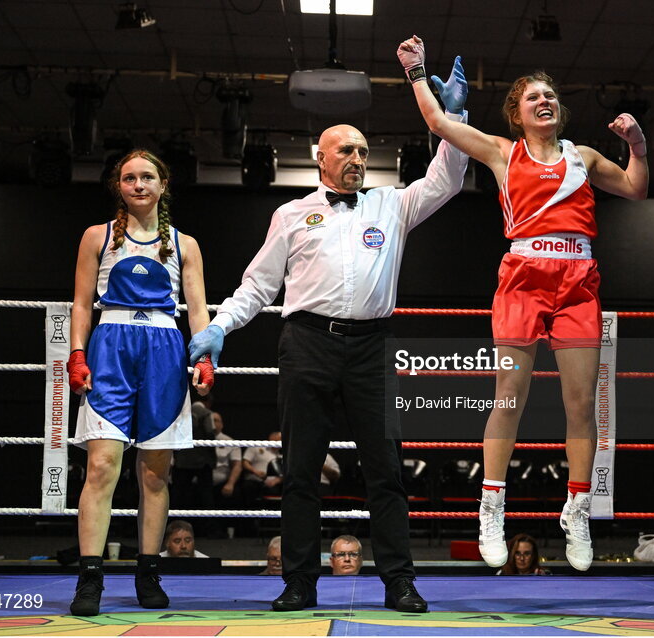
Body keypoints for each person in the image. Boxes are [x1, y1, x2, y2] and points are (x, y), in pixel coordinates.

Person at [187, 61, 470, 613]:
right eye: (347, 150)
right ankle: (299, 582)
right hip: (307, 344)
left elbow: (447, 180)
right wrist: (219, 325)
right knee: (299, 471)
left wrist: (453, 119)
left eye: (364, 151)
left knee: (385, 469)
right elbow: (258, 283)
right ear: (321, 158)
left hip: (371, 347)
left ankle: (399, 582)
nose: (358, 159)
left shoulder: (392, 204)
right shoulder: (292, 214)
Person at [398, 35, 648, 571]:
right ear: (517, 112)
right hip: (523, 279)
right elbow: (441, 125)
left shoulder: (584, 157)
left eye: (550, 95)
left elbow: (634, 188)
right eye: (533, 96)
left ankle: (576, 509)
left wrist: (640, 147)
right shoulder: (501, 151)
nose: (544, 100)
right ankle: (491, 507)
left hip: (579, 280)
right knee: (508, 398)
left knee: (581, 403)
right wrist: (418, 73)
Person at [66, 149, 214, 616]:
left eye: (147, 176)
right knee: (102, 467)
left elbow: (197, 310)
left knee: (155, 472)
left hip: (164, 350)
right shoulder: (97, 236)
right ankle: (90, 578)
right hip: (110, 347)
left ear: (163, 184)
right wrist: (76, 352)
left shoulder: (185, 243)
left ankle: (149, 572)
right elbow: (82, 304)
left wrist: (205, 356)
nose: (138, 185)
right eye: (129, 178)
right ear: (119, 185)